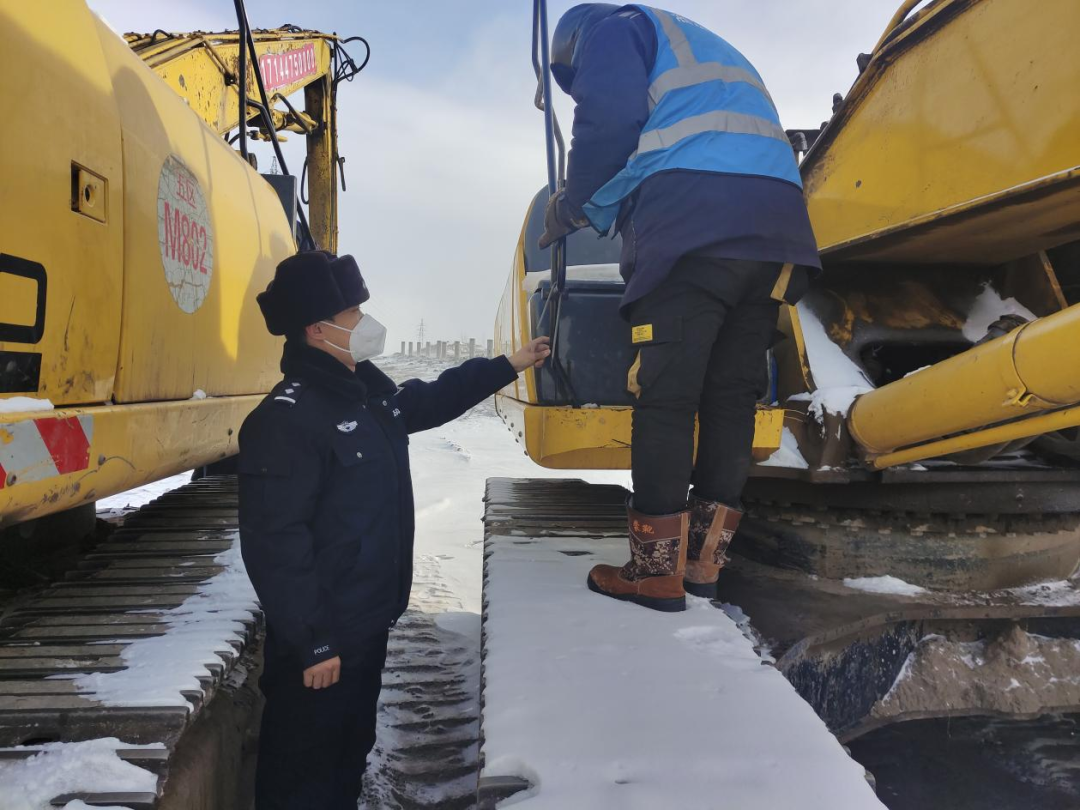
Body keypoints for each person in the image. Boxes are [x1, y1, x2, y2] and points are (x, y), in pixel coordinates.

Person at [238, 251, 550, 809]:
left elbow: (432, 398)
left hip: (366, 626)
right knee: (300, 771)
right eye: (353, 314)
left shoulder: (367, 397)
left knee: (348, 754)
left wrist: (510, 363)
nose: (365, 322)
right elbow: (275, 544)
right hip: (323, 641)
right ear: (317, 329)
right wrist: (314, 642)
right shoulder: (286, 419)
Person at [539, 4, 820, 610]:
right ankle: (701, 566)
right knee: (730, 399)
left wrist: (574, 204)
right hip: (776, 237)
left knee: (666, 397)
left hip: (694, 228)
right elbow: (669, 141)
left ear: (571, 48)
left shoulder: (614, 29)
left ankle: (654, 573)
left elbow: (609, 122)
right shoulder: (701, 49)